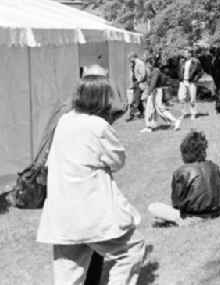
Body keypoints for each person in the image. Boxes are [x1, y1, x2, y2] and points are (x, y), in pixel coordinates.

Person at [37, 67, 146, 284]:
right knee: (131, 249)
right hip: (90, 210)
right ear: (100, 99)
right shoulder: (97, 126)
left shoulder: (64, 120)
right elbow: (117, 161)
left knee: (68, 272)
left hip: (61, 211)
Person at [148, 130, 220, 226]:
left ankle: (178, 222)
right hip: (218, 211)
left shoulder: (181, 172)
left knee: (153, 207)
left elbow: (176, 202)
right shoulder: (213, 165)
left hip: (195, 215)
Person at [141, 57, 183, 132]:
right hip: (155, 91)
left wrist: (148, 93)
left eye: (147, 64)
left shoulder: (155, 71)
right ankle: (150, 126)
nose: (146, 66)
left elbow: (153, 83)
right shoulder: (153, 71)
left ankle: (175, 121)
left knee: (157, 109)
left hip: (156, 92)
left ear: (151, 64)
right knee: (152, 109)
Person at [178, 48, 203, 120]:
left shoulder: (195, 61)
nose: (184, 54)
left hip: (191, 82)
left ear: (190, 53)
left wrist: (195, 79)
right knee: (181, 98)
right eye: (184, 53)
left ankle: (193, 114)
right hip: (183, 82)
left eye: (186, 53)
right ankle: (183, 113)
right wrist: (181, 78)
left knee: (192, 99)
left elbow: (200, 72)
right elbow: (180, 71)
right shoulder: (182, 61)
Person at [127, 52, 147, 121]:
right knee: (138, 100)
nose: (129, 60)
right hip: (135, 83)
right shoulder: (133, 64)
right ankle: (142, 113)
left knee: (135, 100)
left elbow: (143, 74)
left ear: (133, 57)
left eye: (130, 58)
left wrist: (138, 82)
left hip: (139, 83)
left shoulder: (140, 63)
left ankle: (131, 116)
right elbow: (132, 73)